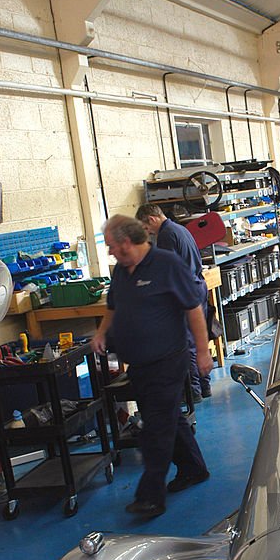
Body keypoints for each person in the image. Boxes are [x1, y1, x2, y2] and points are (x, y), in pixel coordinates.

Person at [91, 215, 212, 519]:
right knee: (167, 416)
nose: (108, 252)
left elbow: (193, 309)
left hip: (169, 359)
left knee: (156, 428)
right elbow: (113, 306)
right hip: (140, 363)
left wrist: (202, 351)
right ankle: (194, 468)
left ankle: (150, 496)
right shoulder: (121, 270)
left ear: (126, 243)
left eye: (110, 246)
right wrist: (101, 332)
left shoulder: (167, 264)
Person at [136, 203, 211, 400]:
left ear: (152, 219)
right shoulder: (180, 229)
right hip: (198, 285)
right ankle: (205, 384)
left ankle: (194, 391)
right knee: (199, 338)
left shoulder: (166, 234)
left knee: (189, 342)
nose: (148, 232)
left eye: (146, 228)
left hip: (186, 291)